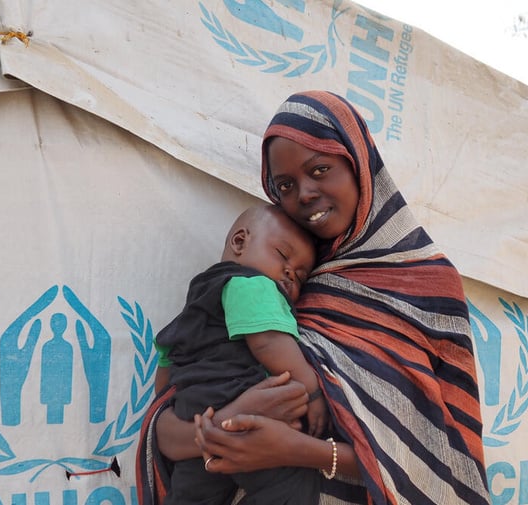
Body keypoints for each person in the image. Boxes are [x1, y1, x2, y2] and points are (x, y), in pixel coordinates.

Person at [136, 90, 491, 505]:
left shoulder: (427, 285)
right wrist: (230, 422)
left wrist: (299, 451)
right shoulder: (270, 278)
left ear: (358, 163)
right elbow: (167, 423)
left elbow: (443, 454)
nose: (303, 193)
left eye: (320, 169)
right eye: (285, 185)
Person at [152, 203, 328, 505]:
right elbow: (269, 343)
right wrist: (312, 390)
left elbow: (165, 369)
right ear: (239, 242)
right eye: (283, 256)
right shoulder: (253, 283)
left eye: (299, 276)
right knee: (291, 485)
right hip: (242, 408)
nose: (288, 273)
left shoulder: (194, 305)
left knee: (191, 496)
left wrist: (179, 406)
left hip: (194, 415)